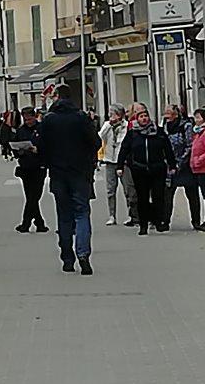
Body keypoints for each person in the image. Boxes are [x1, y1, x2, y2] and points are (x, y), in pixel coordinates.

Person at [36, 83, 99, 275]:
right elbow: (95, 142)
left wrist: (47, 162)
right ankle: (83, 254)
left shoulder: (49, 120)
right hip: (80, 172)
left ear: (56, 97)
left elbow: (41, 146)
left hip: (58, 173)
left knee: (64, 216)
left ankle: (67, 257)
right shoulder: (81, 118)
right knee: (82, 213)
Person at [116, 108, 177, 234]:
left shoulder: (158, 132)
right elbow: (124, 150)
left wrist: (172, 165)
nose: (144, 118)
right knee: (142, 198)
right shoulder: (133, 134)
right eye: (141, 116)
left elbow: (167, 149)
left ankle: (158, 222)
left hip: (157, 168)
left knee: (158, 197)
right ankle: (143, 225)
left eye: (145, 116)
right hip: (140, 169)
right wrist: (120, 166)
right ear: (137, 119)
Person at [11, 106, 48, 233]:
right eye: (25, 120)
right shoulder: (21, 131)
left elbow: (48, 145)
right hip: (26, 167)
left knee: (35, 196)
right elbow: (14, 148)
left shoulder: (42, 128)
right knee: (30, 196)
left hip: (39, 166)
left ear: (34, 116)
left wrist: (38, 150)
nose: (28, 122)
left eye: (29, 119)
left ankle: (31, 223)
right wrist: (19, 151)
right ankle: (35, 223)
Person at [97, 107, 134, 226]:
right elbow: (99, 137)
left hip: (122, 161)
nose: (111, 116)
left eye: (113, 114)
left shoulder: (126, 126)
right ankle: (112, 215)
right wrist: (108, 125)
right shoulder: (107, 125)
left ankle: (131, 214)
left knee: (128, 189)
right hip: (109, 160)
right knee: (110, 190)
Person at [162, 106, 197, 230]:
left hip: (185, 165)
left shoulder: (186, 126)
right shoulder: (164, 127)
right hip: (170, 166)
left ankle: (196, 221)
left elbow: (189, 145)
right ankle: (165, 221)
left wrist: (180, 162)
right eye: (165, 113)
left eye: (168, 113)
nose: (166, 116)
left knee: (192, 194)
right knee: (167, 194)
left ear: (175, 115)